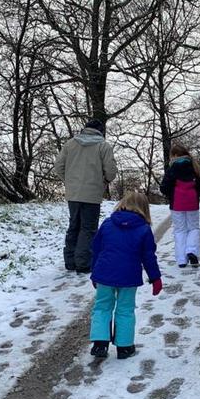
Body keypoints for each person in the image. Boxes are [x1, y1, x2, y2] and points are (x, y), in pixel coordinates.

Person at [89, 192, 163, 359]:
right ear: (145, 208)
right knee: (125, 310)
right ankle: (124, 346)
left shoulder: (107, 224)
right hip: (129, 278)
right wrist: (155, 278)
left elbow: (96, 250)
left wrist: (95, 272)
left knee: (102, 306)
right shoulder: (144, 229)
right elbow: (149, 257)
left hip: (104, 275)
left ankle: (100, 344)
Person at [53, 119, 117, 273]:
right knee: (88, 228)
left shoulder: (70, 144)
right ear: (100, 130)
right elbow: (111, 170)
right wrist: (104, 181)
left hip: (73, 193)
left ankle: (70, 261)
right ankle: (83, 263)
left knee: (73, 226)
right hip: (92, 193)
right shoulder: (103, 146)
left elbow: (58, 166)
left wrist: (69, 181)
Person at [159, 144, 200, 268]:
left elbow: (164, 187)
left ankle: (181, 259)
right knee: (194, 228)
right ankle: (192, 251)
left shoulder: (172, 168)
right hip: (192, 203)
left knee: (179, 230)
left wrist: (172, 195)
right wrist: (195, 195)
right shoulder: (195, 167)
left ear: (174, 155)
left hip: (177, 204)